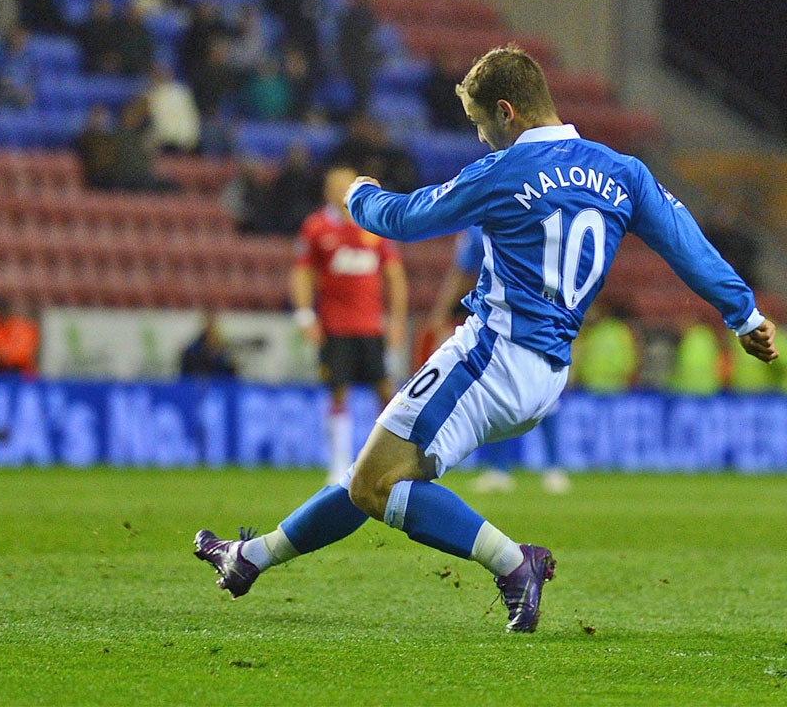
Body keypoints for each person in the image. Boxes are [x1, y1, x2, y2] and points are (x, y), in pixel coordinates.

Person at [194, 47, 778, 633]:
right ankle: (250, 558)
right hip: (548, 375)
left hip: (489, 355)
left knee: (376, 484)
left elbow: (402, 220)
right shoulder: (623, 171)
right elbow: (685, 243)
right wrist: (745, 315)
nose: (479, 138)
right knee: (370, 476)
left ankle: (512, 563)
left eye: (479, 124)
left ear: (507, 112)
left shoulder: (504, 173)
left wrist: (356, 194)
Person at [426, 225, 571, 494]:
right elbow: (461, 271)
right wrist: (441, 313)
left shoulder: (533, 217)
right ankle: (499, 469)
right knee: (495, 392)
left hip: (537, 318)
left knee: (547, 397)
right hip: (497, 321)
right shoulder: (475, 230)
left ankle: (552, 467)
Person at [289, 164, 408, 484]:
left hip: (372, 328)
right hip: (335, 327)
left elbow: (394, 276)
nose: (343, 192)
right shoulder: (316, 228)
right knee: (337, 392)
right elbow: (302, 273)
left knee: (386, 391)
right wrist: (305, 315)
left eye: (348, 186)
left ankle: (387, 461)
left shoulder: (373, 225)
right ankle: (339, 464)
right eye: (337, 186)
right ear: (327, 191)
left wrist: (396, 321)